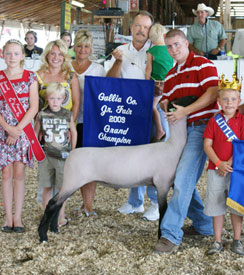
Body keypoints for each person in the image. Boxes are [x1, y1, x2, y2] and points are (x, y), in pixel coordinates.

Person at [154, 29, 219, 254]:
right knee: (179, 178)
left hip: (202, 128)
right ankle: (205, 224)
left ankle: (170, 234)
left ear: (186, 43)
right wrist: (165, 105)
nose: (174, 50)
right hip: (180, 131)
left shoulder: (203, 64)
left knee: (182, 179)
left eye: (177, 45)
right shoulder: (171, 74)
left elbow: (213, 94)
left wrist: (185, 112)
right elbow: (166, 100)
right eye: (169, 47)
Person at [107, 10, 161, 221]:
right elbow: (109, 81)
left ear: (151, 30)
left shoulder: (158, 50)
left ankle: (156, 203)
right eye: (138, 26)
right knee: (132, 157)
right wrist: (118, 62)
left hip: (152, 109)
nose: (141, 30)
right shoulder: (120, 51)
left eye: (146, 27)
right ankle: (135, 201)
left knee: (154, 157)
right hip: (127, 111)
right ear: (131, 28)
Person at [0, 39, 39, 233]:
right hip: (3, 130)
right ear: (2, 55)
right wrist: (8, 128)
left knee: (19, 174)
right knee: (6, 174)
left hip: (23, 132)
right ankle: (7, 218)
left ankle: (18, 217)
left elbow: (34, 107)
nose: (12, 57)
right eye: (8, 53)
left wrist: (17, 130)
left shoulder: (30, 77)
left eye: (16, 53)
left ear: (23, 56)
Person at [203, 74, 244, 256]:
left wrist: (229, 163)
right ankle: (217, 240)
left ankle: (237, 239)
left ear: (239, 101)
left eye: (233, 99)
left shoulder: (242, 121)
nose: (229, 103)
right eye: (225, 99)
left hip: (237, 171)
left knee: (236, 206)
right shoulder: (214, 121)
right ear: (218, 101)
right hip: (215, 170)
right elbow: (207, 145)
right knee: (216, 206)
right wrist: (219, 163)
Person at [36, 39, 80, 203]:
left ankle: (59, 211)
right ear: (46, 55)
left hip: (63, 132)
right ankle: (45, 207)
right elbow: (34, 105)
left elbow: (76, 103)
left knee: (62, 170)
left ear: (65, 56)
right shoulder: (38, 76)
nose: (56, 57)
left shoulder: (70, 75)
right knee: (45, 170)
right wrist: (37, 129)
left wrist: (71, 127)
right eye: (52, 53)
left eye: (60, 54)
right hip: (45, 132)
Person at [71, 30, 106, 217]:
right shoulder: (66, 67)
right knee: (73, 164)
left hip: (91, 123)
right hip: (69, 122)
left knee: (90, 165)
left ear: (91, 48)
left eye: (86, 46)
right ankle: (74, 202)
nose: (83, 49)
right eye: (79, 45)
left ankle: (88, 205)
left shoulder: (98, 69)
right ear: (74, 47)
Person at [35, 82, 77, 227]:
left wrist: (73, 151)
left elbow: (74, 131)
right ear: (47, 98)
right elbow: (36, 133)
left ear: (63, 98)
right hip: (46, 156)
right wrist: (35, 149)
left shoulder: (67, 114)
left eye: (58, 99)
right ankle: (47, 216)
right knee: (46, 186)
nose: (55, 102)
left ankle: (60, 216)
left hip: (62, 157)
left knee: (61, 188)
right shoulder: (42, 114)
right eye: (52, 98)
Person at [145, 23, 173, 142]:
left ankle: (160, 130)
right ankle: (170, 133)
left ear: (151, 38)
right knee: (165, 107)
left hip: (156, 84)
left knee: (153, 106)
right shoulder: (170, 49)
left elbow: (148, 70)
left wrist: (146, 84)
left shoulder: (151, 51)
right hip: (169, 83)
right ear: (164, 35)